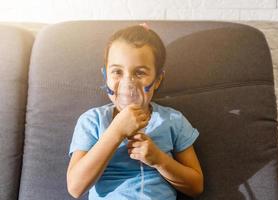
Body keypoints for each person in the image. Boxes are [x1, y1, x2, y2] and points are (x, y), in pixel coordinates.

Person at [67, 23, 204, 200]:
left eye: (139, 73)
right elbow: (75, 188)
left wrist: (159, 160)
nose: (127, 83)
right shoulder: (93, 121)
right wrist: (116, 132)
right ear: (105, 76)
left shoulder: (173, 120)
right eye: (117, 71)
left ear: (157, 80)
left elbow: (196, 186)